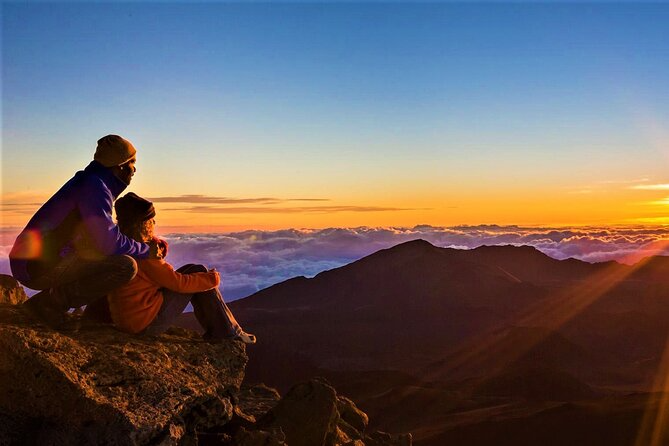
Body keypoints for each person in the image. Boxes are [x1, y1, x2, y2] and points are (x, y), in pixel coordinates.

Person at [9, 135, 162, 327]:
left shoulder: (90, 182)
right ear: (120, 165)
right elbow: (108, 242)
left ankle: (57, 303)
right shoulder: (94, 187)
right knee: (124, 266)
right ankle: (48, 305)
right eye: (132, 162)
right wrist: (145, 250)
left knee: (101, 251)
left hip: (29, 260)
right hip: (34, 267)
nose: (135, 169)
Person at [108, 192, 256, 343]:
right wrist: (213, 279)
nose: (154, 222)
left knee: (194, 269)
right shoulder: (146, 256)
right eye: (151, 219)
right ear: (143, 224)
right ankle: (228, 333)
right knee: (199, 278)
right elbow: (179, 284)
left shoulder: (126, 246)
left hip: (130, 319)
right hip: (145, 324)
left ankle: (227, 331)